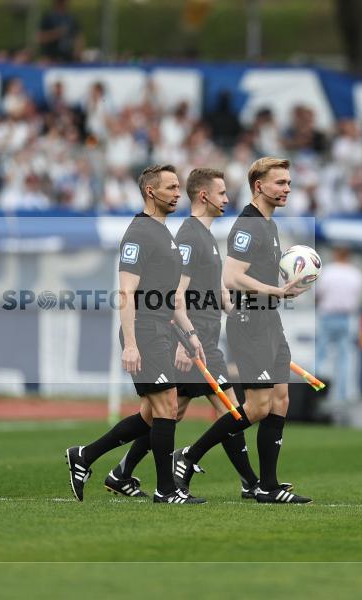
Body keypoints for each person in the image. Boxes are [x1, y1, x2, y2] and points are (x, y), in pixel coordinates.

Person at [103, 168, 261, 500]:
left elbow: (215, 290)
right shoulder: (188, 236)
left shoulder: (202, 237)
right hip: (193, 339)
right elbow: (178, 292)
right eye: (221, 193)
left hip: (199, 338)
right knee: (228, 408)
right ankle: (243, 479)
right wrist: (184, 340)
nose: (227, 199)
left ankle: (120, 471)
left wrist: (243, 315)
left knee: (168, 413)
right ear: (204, 196)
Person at [172, 157, 312, 504]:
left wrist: (279, 284)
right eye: (280, 183)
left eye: (289, 183)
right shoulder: (248, 225)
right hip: (250, 321)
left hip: (268, 319)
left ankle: (267, 484)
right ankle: (189, 456)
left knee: (281, 400)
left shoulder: (269, 226)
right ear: (259, 186)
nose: (287, 189)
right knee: (258, 406)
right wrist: (277, 290)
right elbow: (232, 277)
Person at [65, 165, 206, 504]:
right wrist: (131, 343)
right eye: (171, 187)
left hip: (162, 328)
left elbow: (171, 296)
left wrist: (190, 333)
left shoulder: (164, 234)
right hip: (143, 330)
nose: (177, 193)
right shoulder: (139, 233)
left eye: (178, 188)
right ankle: (166, 490)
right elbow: (126, 292)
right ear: (150, 192)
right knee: (168, 406)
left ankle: (84, 456)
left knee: (151, 414)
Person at [315, 245, 362, 423]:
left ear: (336, 254)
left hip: (328, 315)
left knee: (321, 356)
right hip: (346, 317)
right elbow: (358, 296)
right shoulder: (356, 274)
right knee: (344, 359)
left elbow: (319, 295)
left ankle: (318, 393)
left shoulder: (328, 272)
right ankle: (342, 396)